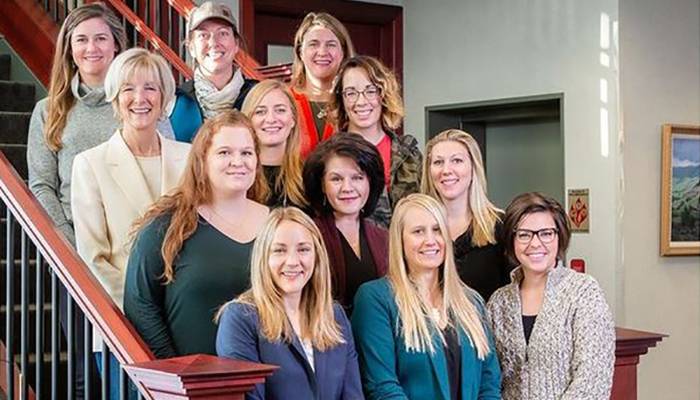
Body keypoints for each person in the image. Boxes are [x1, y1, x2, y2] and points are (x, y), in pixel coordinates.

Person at [71, 47, 190, 399]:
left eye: (151, 88)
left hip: (185, 320)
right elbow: (94, 258)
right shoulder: (89, 164)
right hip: (122, 324)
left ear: (165, 97)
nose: (140, 98)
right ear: (114, 97)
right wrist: (147, 312)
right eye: (128, 89)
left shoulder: (189, 158)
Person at [25, 4, 127, 398]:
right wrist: (72, 247)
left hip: (128, 251)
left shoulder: (135, 103)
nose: (91, 48)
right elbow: (42, 186)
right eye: (81, 39)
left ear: (116, 45)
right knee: (86, 367)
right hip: (76, 257)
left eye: (101, 37)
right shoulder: (48, 111)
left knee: (132, 356)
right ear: (68, 49)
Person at [124, 110, 269, 359]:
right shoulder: (167, 226)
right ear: (202, 160)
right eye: (224, 152)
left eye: (246, 152)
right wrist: (175, 370)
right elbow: (139, 305)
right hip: (191, 385)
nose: (238, 161)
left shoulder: (278, 225)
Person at [352, 194, 501, 399]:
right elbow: (382, 386)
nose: (430, 240)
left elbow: (489, 382)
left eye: (437, 230)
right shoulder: (375, 299)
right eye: (418, 232)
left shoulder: (471, 301)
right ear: (400, 240)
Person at [216, 207, 363, 400]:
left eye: (303, 249)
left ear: (317, 256)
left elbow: (353, 395)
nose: (293, 261)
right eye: (279, 250)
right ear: (264, 257)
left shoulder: (335, 316)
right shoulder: (240, 318)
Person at [487, 192, 615, 399]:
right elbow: (491, 379)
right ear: (512, 241)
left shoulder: (583, 292)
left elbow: (593, 379)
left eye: (546, 233)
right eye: (524, 234)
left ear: (559, 236)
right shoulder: (499, 303)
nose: (535, 243)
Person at [328, 55, 422, 227]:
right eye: (351, 93)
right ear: (341, 100)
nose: (361, 101)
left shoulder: (409, 154)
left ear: (383, 95)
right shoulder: (328, 156)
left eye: (371, 91)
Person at [303, 133, 388, 312]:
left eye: (357, 177)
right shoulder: (308, 236)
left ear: (370, 182)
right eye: (336, 179)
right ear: (322, 185)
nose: (347, 188)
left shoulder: (384, 238)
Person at [422, 129, 510, 301]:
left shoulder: (501, 227)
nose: (446, 170)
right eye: (438, 162)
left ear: (473, 167)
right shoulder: (416, 228)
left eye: (457, 160)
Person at [169, 1, 257, 142]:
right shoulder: (176, 101)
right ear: (191, 47)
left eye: (222, 33)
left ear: (236, 44)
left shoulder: (258, 97)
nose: (214, 42)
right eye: (203, 35)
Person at [289, 12, 354, 157]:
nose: (322, 52)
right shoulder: (284, 100)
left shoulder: (356, 101)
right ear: (300, 52)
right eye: (313, 44)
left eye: (331, 45)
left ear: (343, 52)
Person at [241, 79, 307, 208]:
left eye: (280, 110)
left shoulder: (309, 176)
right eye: (260, 112)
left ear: (293, 119)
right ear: (248, 121)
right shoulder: (236, 174)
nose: (271, 119)